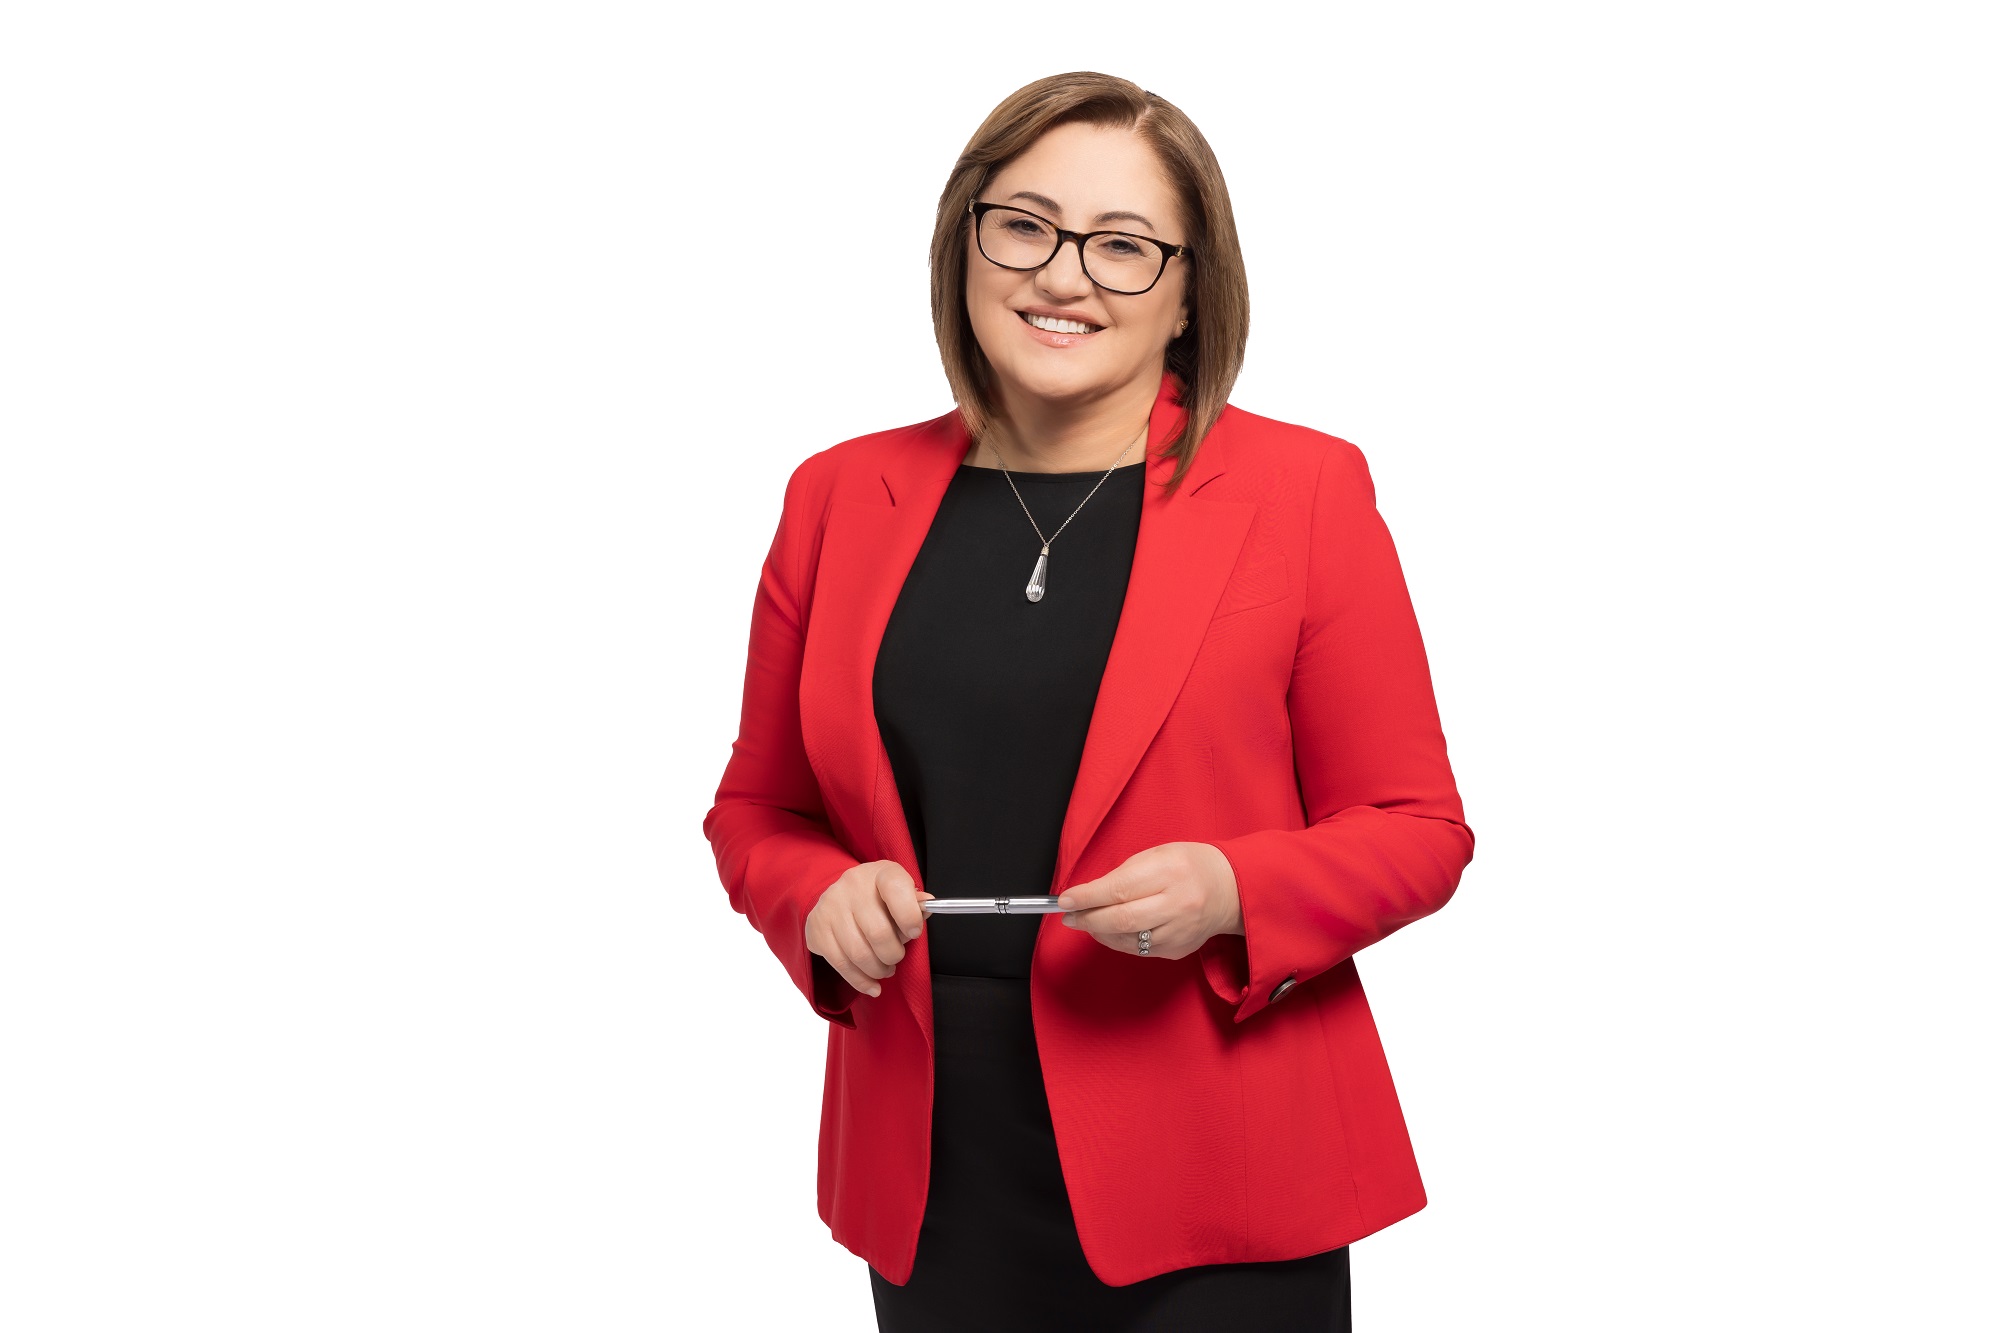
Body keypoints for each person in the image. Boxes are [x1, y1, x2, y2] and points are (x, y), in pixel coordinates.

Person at [702, 71, 1474, 1332]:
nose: (1062, 277)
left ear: (1189, 292)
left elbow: (1416, 827)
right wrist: (814, 896)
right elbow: (756, 809)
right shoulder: (836, 495)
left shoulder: (1302, 490)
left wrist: (1231, 889)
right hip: (936, 1183)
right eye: (1024, 226)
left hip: (1222, 1180)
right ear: (965, 241)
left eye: (1122, 246)